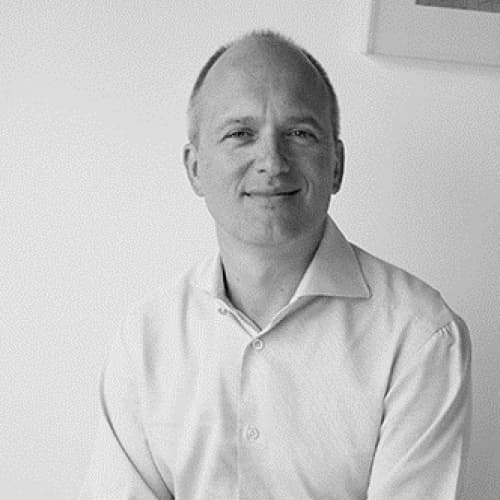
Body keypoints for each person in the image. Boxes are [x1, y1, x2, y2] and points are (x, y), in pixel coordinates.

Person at [79, 30, 471, 500]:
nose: (271, 161)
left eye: (299, 134)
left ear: (336, 165)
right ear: (195, 167)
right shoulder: (147, 336)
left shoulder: (420, 335)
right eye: (240, 134)